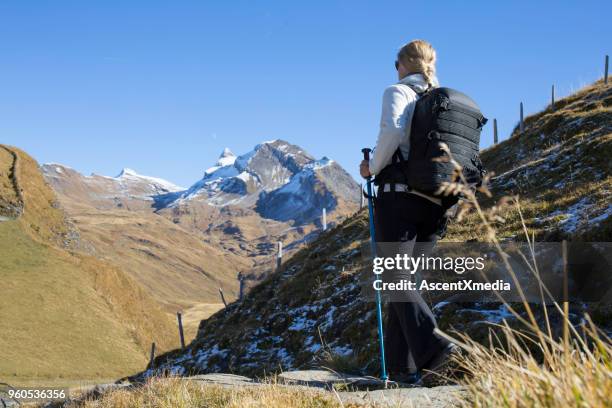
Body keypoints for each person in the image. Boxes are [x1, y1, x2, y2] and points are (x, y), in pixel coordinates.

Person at [359, 39, 459, 386]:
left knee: (394, 279)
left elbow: (392, 132)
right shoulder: (444, 98)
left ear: (402, 65)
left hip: (399, 198)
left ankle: (436, 349)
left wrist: (371, 166)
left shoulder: (397, 91)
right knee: (404, 283)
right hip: (436, 202)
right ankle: (402, 370)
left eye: (395, 64)